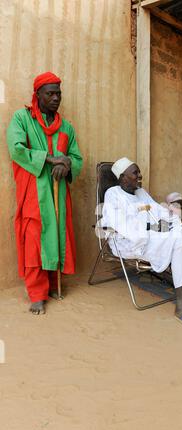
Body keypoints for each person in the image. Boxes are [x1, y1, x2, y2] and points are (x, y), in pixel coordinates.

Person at [101, 157, 182, 330]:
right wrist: (151, 227)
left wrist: (172, 219)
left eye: (139, 172)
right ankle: (181, 304)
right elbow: (120, 223)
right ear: (123, 177)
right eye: (135, 173)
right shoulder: (113, 194)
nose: (140, 176)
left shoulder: (140, 193)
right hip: (130, 241)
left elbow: (159, 211)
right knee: (177, 241)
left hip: (154, 236)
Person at [7, 72, 82, 314]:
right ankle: (36, 294)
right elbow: (16, 149)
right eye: (50, 93)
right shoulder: (22, 118)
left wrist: (67, 163)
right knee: (34, 242)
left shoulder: (66, 128)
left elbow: (76, 157)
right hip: (33, 194)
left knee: (55, 239)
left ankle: (51, 284)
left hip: (58, 194)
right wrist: (51, 159)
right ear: (37, 94)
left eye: (58, 93)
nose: (55, 98)